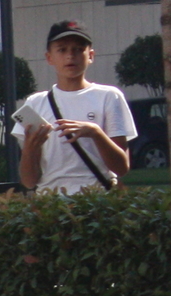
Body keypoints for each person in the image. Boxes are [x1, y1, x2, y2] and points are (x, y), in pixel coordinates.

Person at [16, 19, 135, 194]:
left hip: (98, 200)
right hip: (51, 203)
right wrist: (30, 149)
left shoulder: (109, 96)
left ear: (91, 56)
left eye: (78, 49)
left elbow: (122, 168)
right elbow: (28, 181)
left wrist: (95, 132)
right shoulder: (35, 103)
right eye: (62, 49)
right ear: (49, 57)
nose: (70, 56)